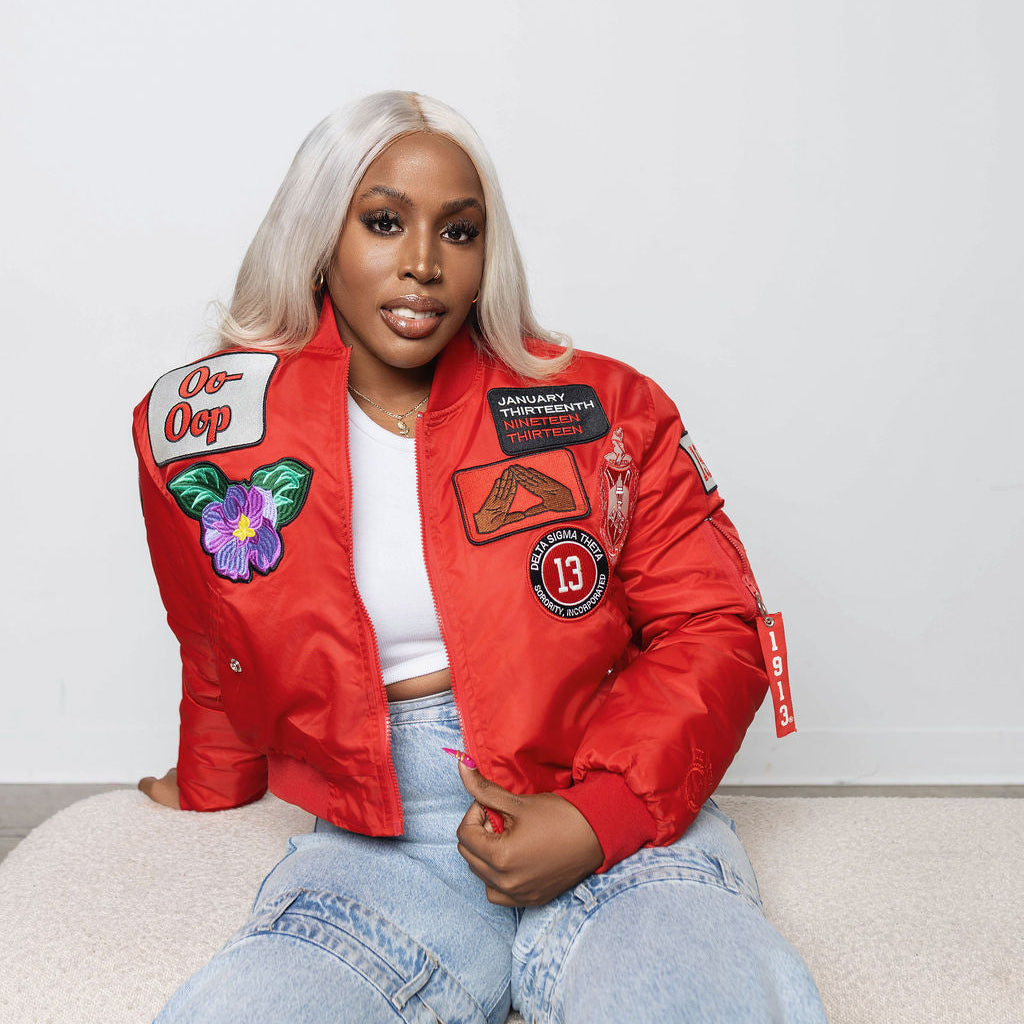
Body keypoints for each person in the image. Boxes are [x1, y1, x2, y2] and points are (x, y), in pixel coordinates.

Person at [134, 90, 826, 1023]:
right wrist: (210, 785)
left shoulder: (602, 407)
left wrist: (601, 818)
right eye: (384, 223)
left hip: (604, 790)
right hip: (383, 843)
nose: (423, 265)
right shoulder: (207, 432)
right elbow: (211, 632)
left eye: (459, 233)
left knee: (686, 996)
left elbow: (714, 623)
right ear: (317, 238)